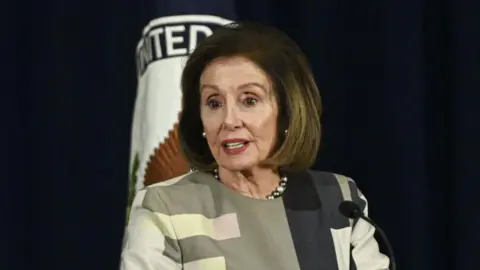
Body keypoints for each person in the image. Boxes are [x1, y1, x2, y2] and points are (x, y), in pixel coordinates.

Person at [121, 21, 390, 270]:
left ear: (287, 111)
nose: (229, 120)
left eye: (249, 100)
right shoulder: (165, 208)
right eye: (214, 102)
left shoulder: (338, 200)